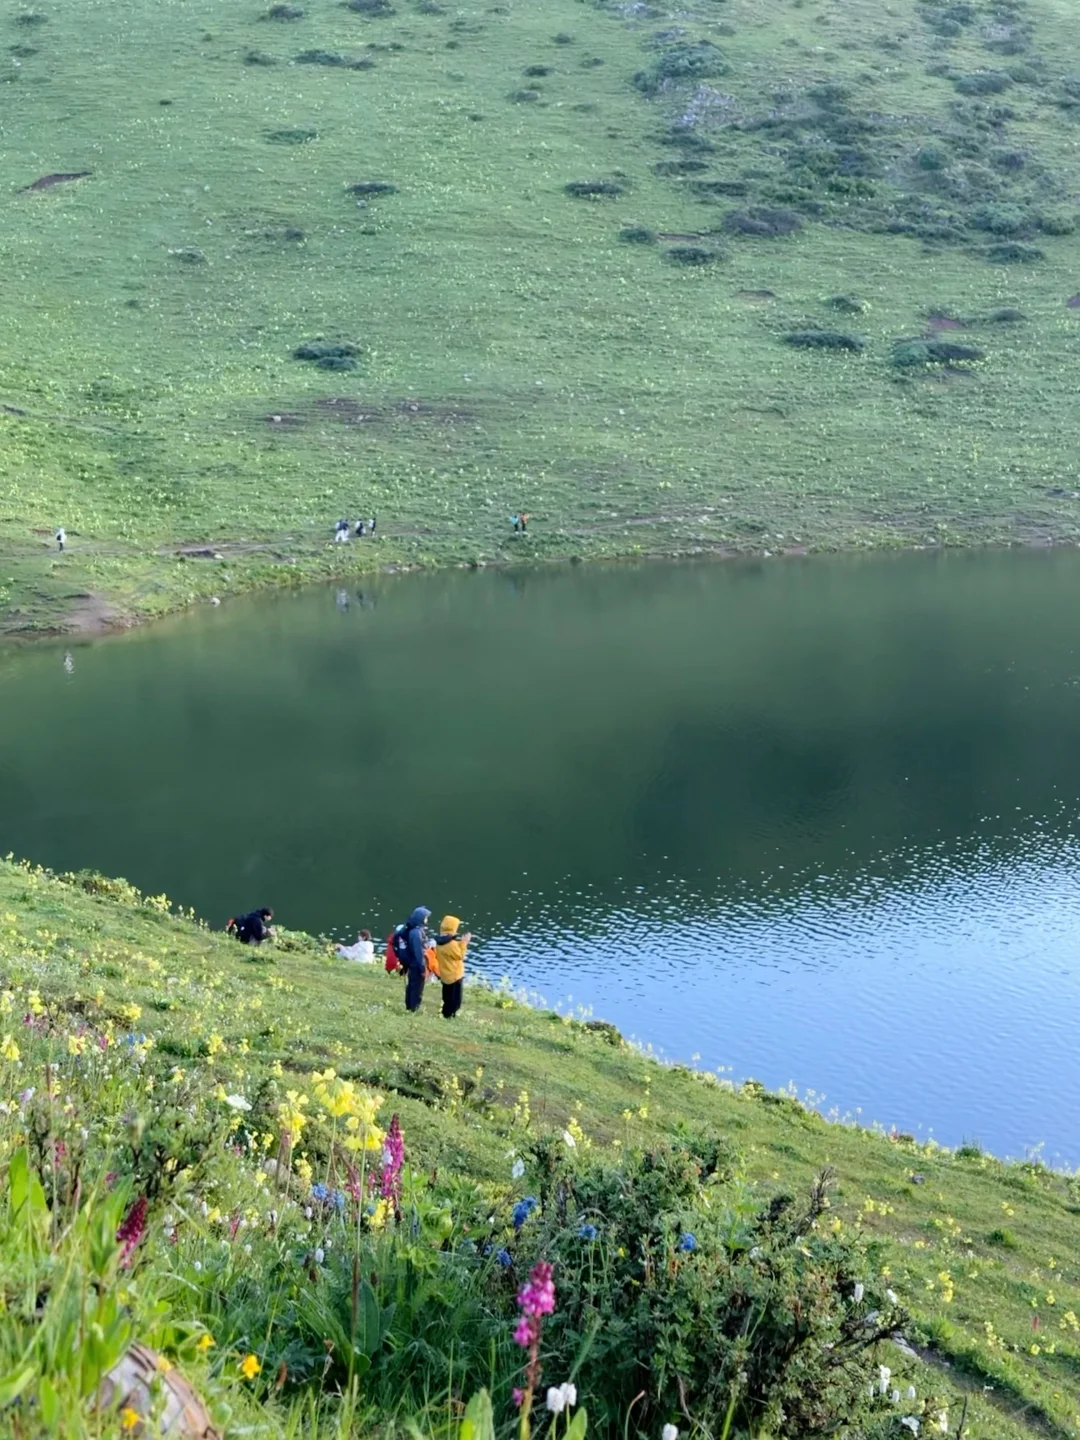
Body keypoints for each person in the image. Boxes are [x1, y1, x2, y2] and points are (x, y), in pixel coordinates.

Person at [435, 915, 471, 1019]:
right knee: (456, 1000)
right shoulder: (450, 944)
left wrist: (461, 942)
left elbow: (453, 948)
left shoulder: (441, 941)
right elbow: (460, 955)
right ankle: (450, 1016)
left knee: (447, 997)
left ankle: (445, 1013)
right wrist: (464, 943)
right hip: (455, 976)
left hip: (445, 975)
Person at [400, 906, 430, 1012]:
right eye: (425, 917)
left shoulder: (413, 930)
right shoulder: (417, 933)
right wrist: (422, 968)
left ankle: (409, 1006)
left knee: (412, 985)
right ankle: (413, 1008)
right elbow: (418, 952)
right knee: (416, 988)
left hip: (412, 963)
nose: (427, 919)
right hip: (416, 964)